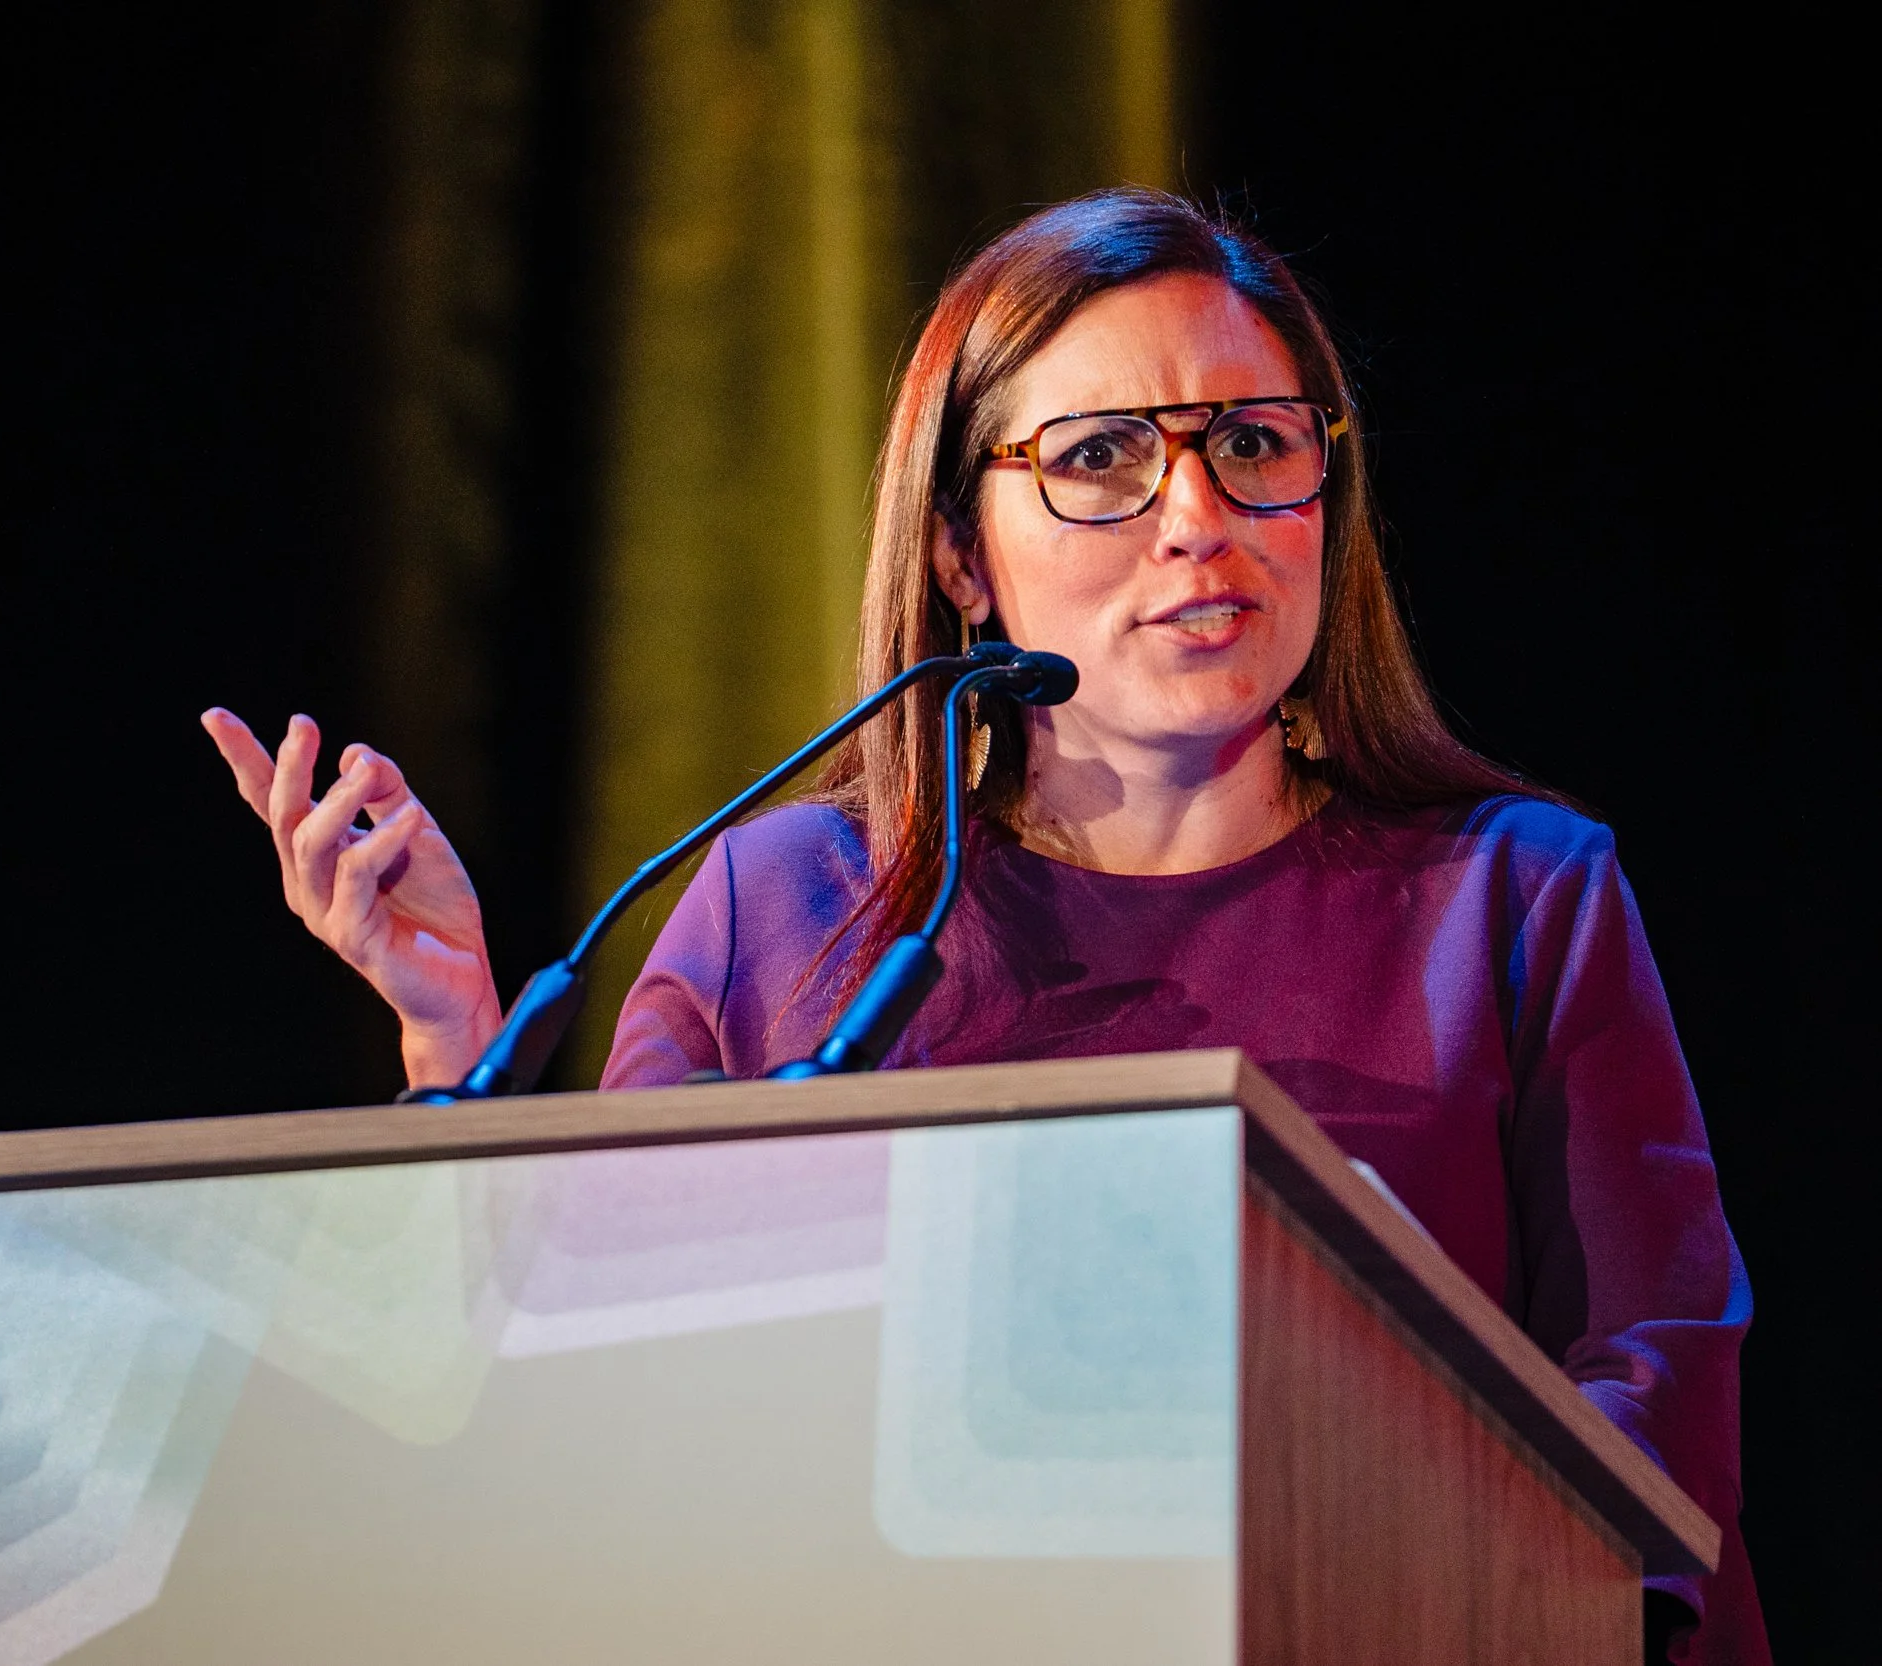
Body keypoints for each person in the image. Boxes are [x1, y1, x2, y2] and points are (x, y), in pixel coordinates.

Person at [203, 190, 1763, 1665]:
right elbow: (609, 1388)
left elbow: (1657, 1388)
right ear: (963, 552)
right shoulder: (784, 906)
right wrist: (453, 1030)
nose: (1196, 518)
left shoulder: (1514, 895)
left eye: (1251, 443)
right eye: (1099, 459)